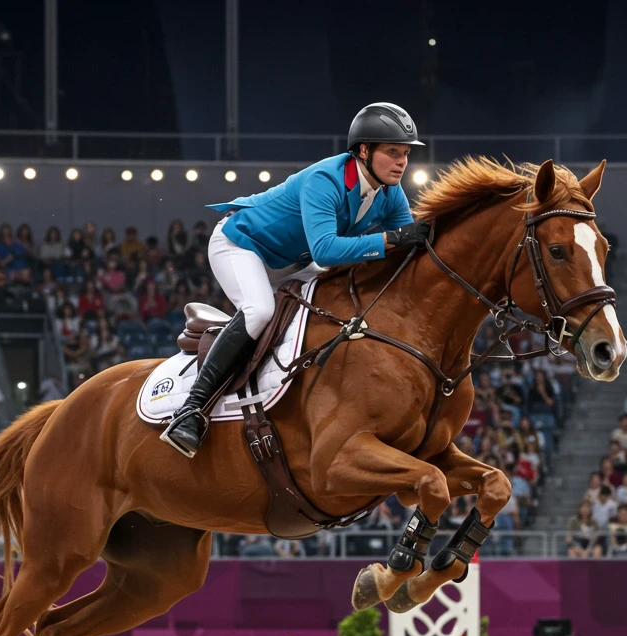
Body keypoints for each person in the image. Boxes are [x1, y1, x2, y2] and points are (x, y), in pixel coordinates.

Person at [160, 102, 430, 458]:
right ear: (364, 151)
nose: (402, 162)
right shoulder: (326, 179)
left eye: (406, 154)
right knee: (259, 311)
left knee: (337, 300)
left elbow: (405, 247)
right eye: (393, 152)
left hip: (293, 261)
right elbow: (327, 251)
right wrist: (390, 239)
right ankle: (191, 410)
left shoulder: (390, 192)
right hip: (242, 244)